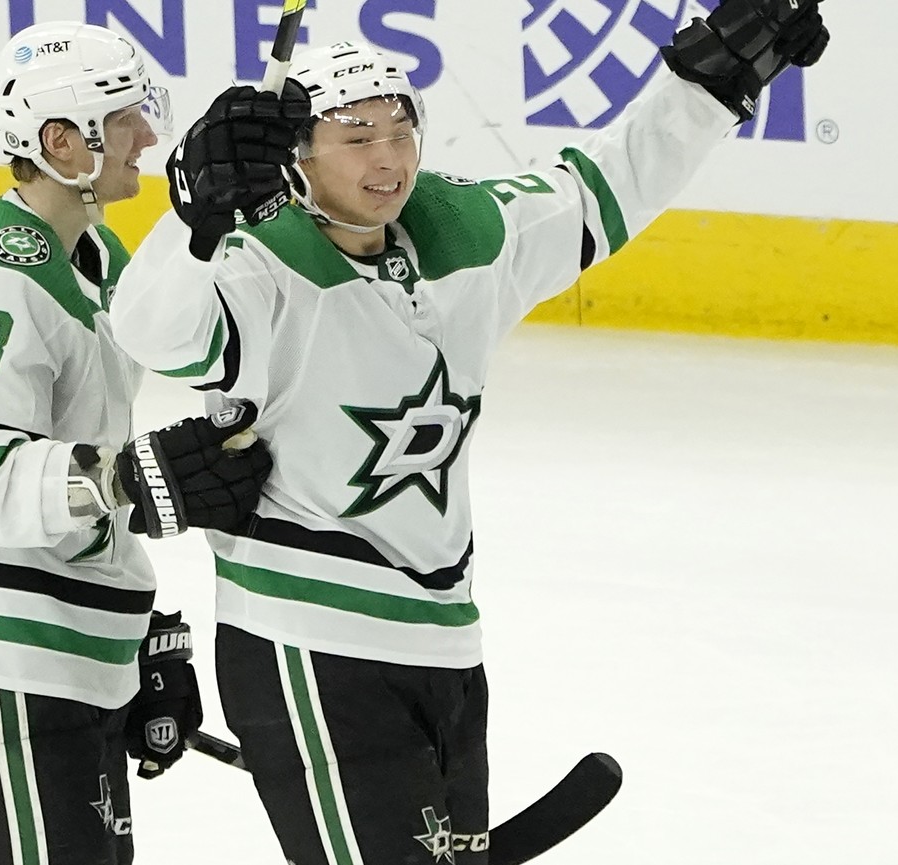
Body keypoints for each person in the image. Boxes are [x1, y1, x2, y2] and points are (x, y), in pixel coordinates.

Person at [110, 2, 829, 863]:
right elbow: (152, 332)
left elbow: (608, 183)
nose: (387, 157)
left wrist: (712, 81)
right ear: (295, 160)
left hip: (445, 640)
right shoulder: (255, 263)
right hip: (309, 640)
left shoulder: (467, 231)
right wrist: (192, 219)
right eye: (355, 136)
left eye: (398, 127)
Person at [0, 20, 272, 865]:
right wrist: (135, 476)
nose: (148, 138)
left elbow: (88, 463)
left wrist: (139, 631)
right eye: (126, 118)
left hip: (59, 650)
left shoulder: (92, 260)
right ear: (64, 141)